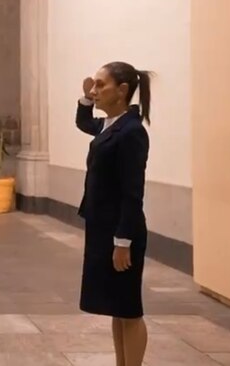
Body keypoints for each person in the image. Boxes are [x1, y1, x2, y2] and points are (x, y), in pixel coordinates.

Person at [76, 61, 152, 366]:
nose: (95, 90)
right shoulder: (110, 125)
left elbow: (133, 193)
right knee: (115, 306)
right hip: (102, 227)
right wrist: (85, 98)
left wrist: (123, 241)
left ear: (122, 91)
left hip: (121, 231)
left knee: (129, 308)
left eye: (100, 85)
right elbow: (84, 123)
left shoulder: (131, 131)